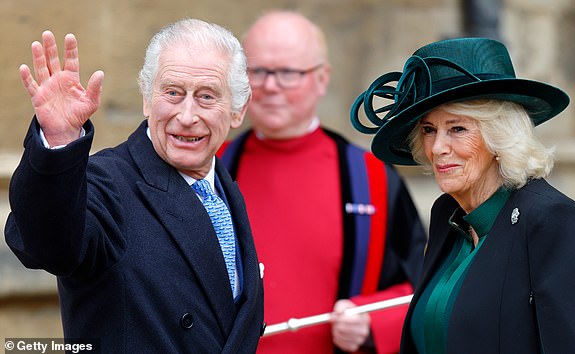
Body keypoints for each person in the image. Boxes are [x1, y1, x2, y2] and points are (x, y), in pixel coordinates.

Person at [350, 37, 575, 353]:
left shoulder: (550, 219)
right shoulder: (448, 216)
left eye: (457, 129)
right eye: (429, 130)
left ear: (500, 135)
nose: (438, 147)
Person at [4, 19, 265, 353]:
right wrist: (58, 146)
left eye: (206, 97)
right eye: (172, 92)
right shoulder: (106, 182)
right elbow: (46, 243)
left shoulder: (224, 188)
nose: (186, 115)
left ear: (238, 110)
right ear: (147, 98)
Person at [219, 10, 427, 354]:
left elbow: (424, 285)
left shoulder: (371, 176)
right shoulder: (209, 168)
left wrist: (374, 324)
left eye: (287, 72)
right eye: (255, 71)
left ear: (321, 78)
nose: (269, 86)